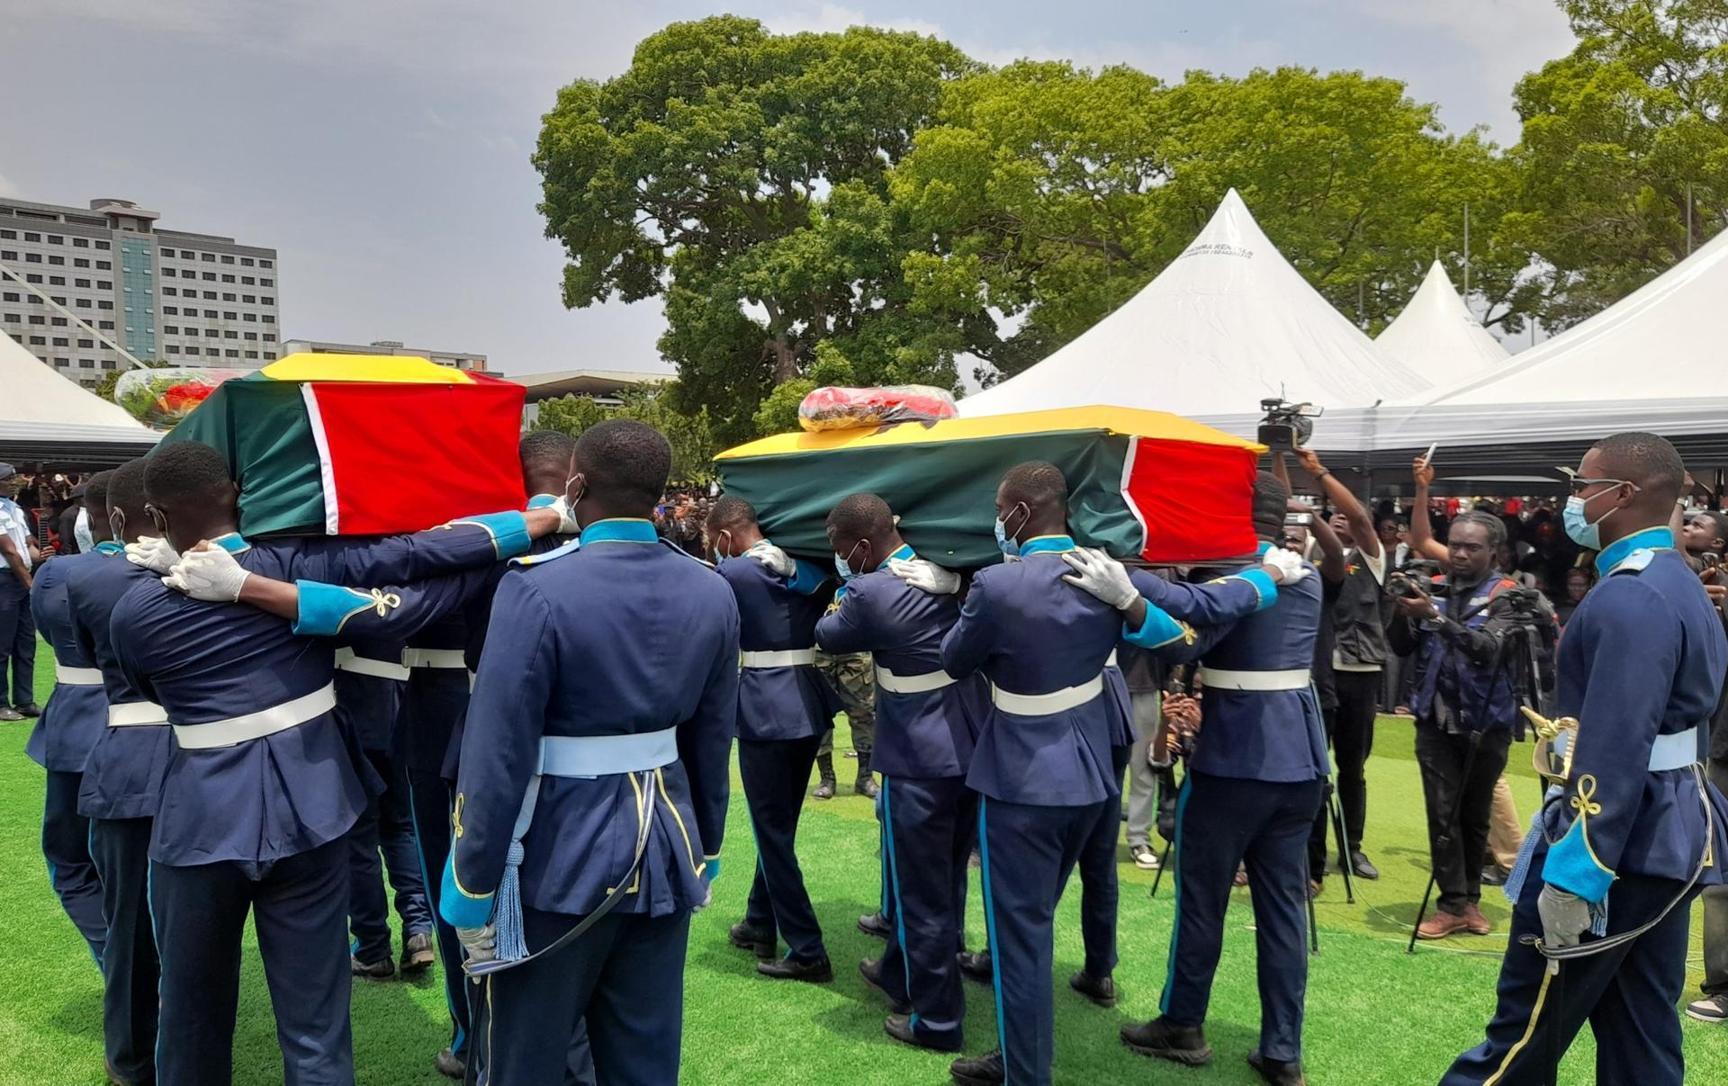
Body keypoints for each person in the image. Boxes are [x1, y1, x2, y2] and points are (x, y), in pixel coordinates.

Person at [109, 439, 566, 1086]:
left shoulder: (135, 610)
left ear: (155, 517)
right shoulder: (300, 567)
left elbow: (151, 689)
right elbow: (418, 555)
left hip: (198, 821)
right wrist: (535, 523)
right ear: (239, 494)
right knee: (316, 1025)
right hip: (312, 806)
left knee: (189, 1017)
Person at [939, 461, 1296, 1086]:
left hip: (1022, 778)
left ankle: (1023, 1072)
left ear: (1019, 512)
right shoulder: (1107, 574)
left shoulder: (997, 585)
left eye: (1001, 508)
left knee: (1020, 937)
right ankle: (1017, 1049)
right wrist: (1131, 604)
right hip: (1089, 774)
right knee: (1037, 922)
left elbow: (953, 660)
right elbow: (1181, 638)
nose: (997, 521)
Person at [441, 420, 738, 1085]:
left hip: (553, 850)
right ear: (659, 494)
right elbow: (713, 737)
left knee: (525, 1056)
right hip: (664, 844)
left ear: (576, 486)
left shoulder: (535, 586)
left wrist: (471, 881)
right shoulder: (711, 589)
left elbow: (495, 753)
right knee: (642, 1056)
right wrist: (706, 848)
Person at [1443, 432, 1728, 1085]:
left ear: (1622, 495)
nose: (1575, 501)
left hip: (1614, 844)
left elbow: (1619, 743)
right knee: (1641, 1037)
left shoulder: (1634, 594)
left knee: (1521, 1038)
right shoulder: (1675, 581)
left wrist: (1579, 872)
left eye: (1583, 486)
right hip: (1670, 830)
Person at [1070, 471, 1324, 1086]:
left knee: (1203, 900)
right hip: (1302, 757)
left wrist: (1127, 582)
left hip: (1238, 758)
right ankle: (1282, 1049)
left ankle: (1184, 1023)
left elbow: (1188, 632)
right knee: (1284, 910)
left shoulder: (1234, 577)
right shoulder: (1304, 571)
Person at [814, 492, 984, 1053]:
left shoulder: (868, 592)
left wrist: (841, 589)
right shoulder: (958, 573)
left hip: (919, 756)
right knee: (948, 874)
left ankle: (936, 1019)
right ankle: (899, 970)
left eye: (840, 548)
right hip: (968, 744)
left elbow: (827, 634)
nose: (838, 557)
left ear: (862, 545)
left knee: (921, 890)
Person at [1389, 512, 1553, 940]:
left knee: (1476, 813)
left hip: (1489, 720)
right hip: (1434, 717)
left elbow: (1486, 648)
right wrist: (1403, 610)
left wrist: (1436, 618)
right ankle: (1451, 904)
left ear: (1493, 552)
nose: (1460, 553)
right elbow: (1400, 645)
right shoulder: (1435, 588)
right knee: (1442, 814)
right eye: (1455, 545)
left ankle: (1471, 902)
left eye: (1472, 547)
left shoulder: (1509, 596)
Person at [707, 496, 843, 982]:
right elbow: (834, 582)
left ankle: (807, 948)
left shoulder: (734, 573)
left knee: (772, 832)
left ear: (724, 535)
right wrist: (797, 569)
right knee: (779, 825)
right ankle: (759, 921)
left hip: (767, 707)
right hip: (808, 703)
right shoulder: (803, 564)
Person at [70, 459, 173, 1086]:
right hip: (224, 767)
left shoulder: (82, 579)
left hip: (130, 762)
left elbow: (78, 652)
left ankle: (133, 1059)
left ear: (113, 515)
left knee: (130, 926)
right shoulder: (248, 573)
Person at [25, 469, 115, 966]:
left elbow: (51, 637)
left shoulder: (58, 575)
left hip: (80, 730)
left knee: (73, 862)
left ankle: (120, 968)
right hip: (171, 735)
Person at [1295, 447, 1383, 880]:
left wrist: (1320, 475)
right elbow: (1288, 513)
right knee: (1314, 765)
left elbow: (1362, 520)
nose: (1342, 519)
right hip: (1318, 674)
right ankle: (1311, 858)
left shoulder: (1371, 558)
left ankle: (1352, 849)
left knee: (1353, 767)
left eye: (1345, 514)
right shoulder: (1315, 556)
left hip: (1360, 672)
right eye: (1334, 516)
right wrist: (1287, 463)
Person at [338, 634, 433, 982]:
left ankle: (372, 948)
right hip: (405, 702)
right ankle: (419, 929)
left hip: (353, 706)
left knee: (359, 836)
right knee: (402, 826)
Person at [0, 462, 43, 721]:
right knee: (2, 645)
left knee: (25, 643)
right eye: (9, 478)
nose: (15, 481)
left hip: (21, 577)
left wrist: (44, 556)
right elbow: (9, 551)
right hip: (5, 580)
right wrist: (31, 583)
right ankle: (1, 702)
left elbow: (28, 547)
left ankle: (25, 701)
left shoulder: (14, 508)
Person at [813, 652, 878, 799]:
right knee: (820, 714)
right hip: (819, 648)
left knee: (863, 714)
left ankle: (865, 777)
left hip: (855, 647)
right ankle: (826, 778)